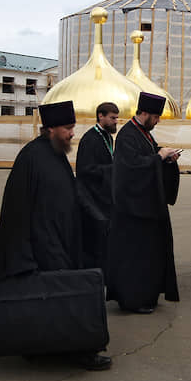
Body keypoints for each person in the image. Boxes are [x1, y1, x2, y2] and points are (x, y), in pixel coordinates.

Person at [0, 100, 112, 371]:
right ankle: (77, 352)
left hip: (61, 241)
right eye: (68, 128)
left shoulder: (54, 152)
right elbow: (19, 209)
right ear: (52, 128)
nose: (72, 134)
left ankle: (49, 347)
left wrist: (97, 219)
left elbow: (71, 192)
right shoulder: (32, 157)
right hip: (42, 245)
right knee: (67, 298)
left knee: (58, 299)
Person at [107, 92, 181, 314]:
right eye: (156, 117)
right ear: (145, 113)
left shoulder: (144, 134)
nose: (157, 121)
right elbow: (131, 168)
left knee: (150, 255)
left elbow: (147, 157)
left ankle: (147, 294)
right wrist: (159, 157)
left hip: (147, 206)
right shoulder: (128, 135)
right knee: (135, 257)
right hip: (133, 210)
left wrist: (165, 157)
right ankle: (132, 299)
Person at [75, 101, 119, 271]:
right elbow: (85, 170)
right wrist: (113, 169)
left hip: (106, 195)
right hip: (93, 197)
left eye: (117, 118)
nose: (116, 121)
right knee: (94, 242)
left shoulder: (107, 136)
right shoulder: (90, 139)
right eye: (113, 118)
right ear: (101, 116)